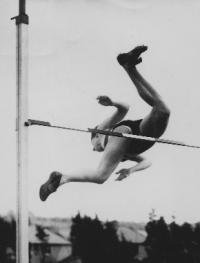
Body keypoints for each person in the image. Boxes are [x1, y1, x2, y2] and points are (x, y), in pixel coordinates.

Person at [39, 45, 170, 201]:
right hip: (139, 135)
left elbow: (124, 109)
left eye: (93, 146)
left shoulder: (100, 132)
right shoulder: (119, 153)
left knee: (100, 176)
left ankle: (63, 178)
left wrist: (113, 103)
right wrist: (130, 170)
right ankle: (129, 67)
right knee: (163, 110)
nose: (95, 150)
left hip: (131, 132)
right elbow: (147, 161)